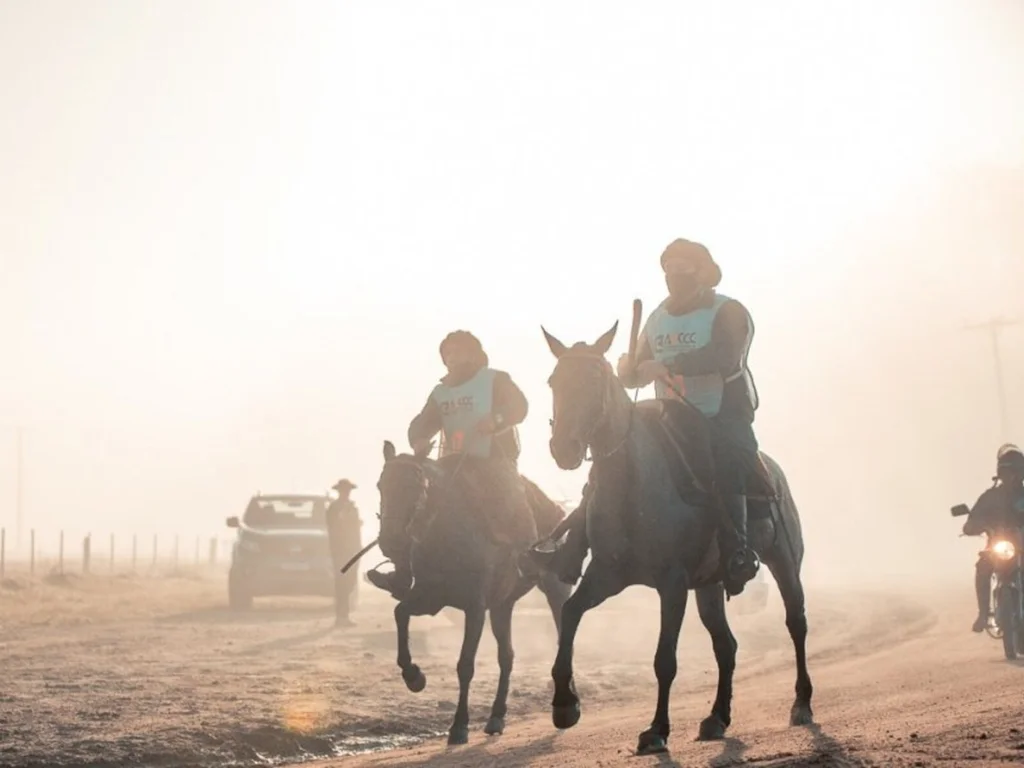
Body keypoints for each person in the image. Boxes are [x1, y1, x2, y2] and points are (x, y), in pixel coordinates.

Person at [530, 238, 762, 596]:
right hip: (670, 415)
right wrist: (627, 371)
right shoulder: (657, 318)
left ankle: (738, 550)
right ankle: (573, 547)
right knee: (613, 460)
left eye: (682, 267)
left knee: (730, 465)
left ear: (702, 271)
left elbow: (726, 358)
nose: (674, 275)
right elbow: (637, 374)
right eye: (669, 268)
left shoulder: (728, 311)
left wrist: (667, 364)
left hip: (721, 415)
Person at [366, 330, 538, 597]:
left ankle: (529, 556)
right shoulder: (441, 391)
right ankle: (402, 570)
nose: (451, 358)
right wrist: (420, 439)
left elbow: (519, 406)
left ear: (473, 354)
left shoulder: (495, 380)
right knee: (416, 501)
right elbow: (421, 423)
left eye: (456, 352)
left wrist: (496, 421)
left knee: (513, 498)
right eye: (447, 354)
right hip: (451, 462)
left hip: (494, 459)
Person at [962, 444, 1024, 632]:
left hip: (1022, 546)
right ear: (999, 473)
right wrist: (972, 526)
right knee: (982, 567)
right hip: (997, 547)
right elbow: (971, 521)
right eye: (1005, 472)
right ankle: (983, 614)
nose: (1010, 476)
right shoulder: (990, 496)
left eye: (1014, 472)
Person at [325, 479, 362, 627]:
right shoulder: (333, 508)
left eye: (348, 491)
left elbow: (355, 528)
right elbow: (332, 526)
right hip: (340, 550)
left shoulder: (353, 508)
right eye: (344, 491)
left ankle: (343, 614)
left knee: (350, 582)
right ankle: (341, 616)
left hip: (353, 549)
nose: (346, 493)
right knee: (341, 583)